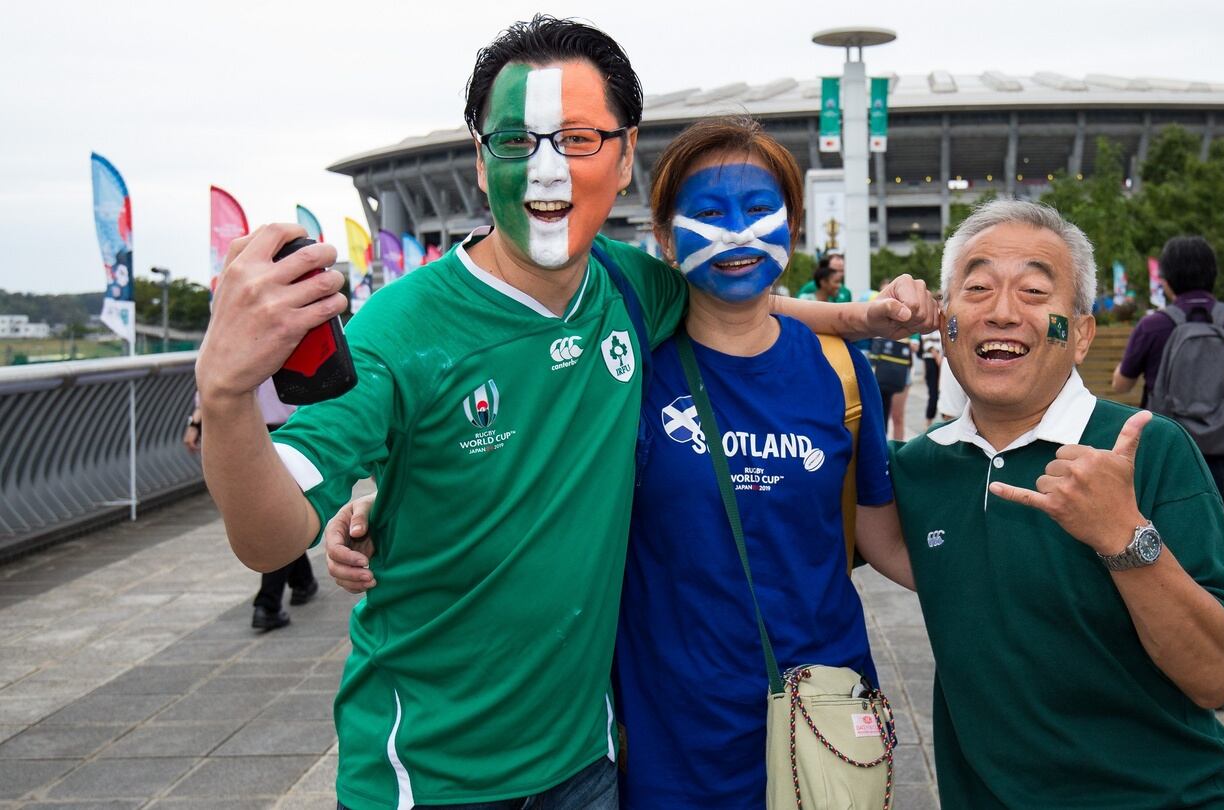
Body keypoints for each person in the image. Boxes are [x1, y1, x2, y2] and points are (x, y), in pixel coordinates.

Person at [194, 16, 934, 809]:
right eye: (517, 141)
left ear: (623, 160)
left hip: (589, 761)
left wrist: (858, 320)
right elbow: (267, 536)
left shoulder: (621, 288)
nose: (547, 172)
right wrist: (227, 393)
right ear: (481, 163)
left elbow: (732, 288)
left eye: (579, 139)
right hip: (432, 778)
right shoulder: (399, 333)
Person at [326, 117, 917, 808]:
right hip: (672, 733)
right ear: (663, 237)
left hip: (819, 721)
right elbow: (534, 462)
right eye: (708, 213)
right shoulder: (629, 362)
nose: (736, 234)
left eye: (759, 211)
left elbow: (880, 540)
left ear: (792, 226)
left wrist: (1023, 582)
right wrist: (392, 508)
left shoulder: (839, 372)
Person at [890, 200, 1224, 808]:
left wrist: (1123, 535)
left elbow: (1216, 677)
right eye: (976, 288)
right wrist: (856, 320)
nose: (1003, 311)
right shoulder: (918, 468)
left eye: (1035, 291)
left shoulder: (1149, 449)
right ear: (943, 321)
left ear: (1081, 332)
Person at [1112, 235, 1224, 534]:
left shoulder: (1153, 325)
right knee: (1220, 549)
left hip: (1166, 455)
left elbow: (1121, 385)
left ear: (1166, 281)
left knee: (1165, 552)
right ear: (1213, 276)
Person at [184, 382, 317, 631]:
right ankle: (267, 605)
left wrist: (196, 422)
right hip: (292, 427)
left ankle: (303, 581)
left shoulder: (231, 341)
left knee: (283, 511)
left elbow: (216, 376)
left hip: (253, 430)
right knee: (279, 518)